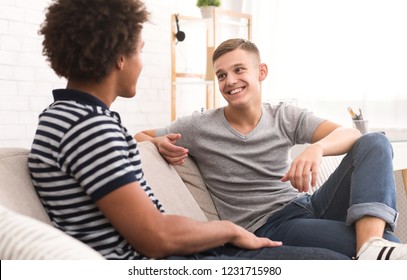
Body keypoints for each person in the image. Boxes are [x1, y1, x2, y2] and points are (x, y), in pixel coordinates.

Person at [27, 0, 348, 260]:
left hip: (199, 254)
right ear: (119, 58)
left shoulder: (68, 116)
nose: (142, 63)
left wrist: (155, 142)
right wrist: (230, 231)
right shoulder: (88, 127)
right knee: (332, 262)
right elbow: (156, 237)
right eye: (139, 50)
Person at [135, 38, 407, 260]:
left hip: (309, 204)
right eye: (221, 75)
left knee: (375, 142)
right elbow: (141, 135)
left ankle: (371, 246)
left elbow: (350, 134)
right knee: (391, 244)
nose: (230, 80)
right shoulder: (199, 126)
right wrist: (159, 142)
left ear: (261, 72)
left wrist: (317, 149)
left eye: (239, 70)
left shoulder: (283, 115)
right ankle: (375, 246)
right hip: (269, 223)